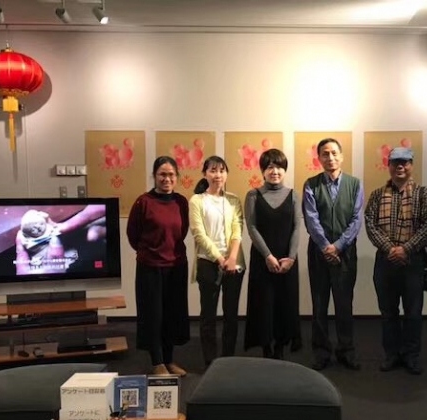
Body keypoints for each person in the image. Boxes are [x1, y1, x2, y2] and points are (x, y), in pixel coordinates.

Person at [365, 147, 427, 375]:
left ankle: (411, 356)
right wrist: (390, 249)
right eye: (395, 162)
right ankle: (392, 354)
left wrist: (406, 249)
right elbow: (370, 224)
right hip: (384, 262)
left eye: (405, 162)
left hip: (413, 262)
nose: (400, 166)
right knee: (388, 313)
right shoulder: (377, 195)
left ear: (411, 165)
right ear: (389, 165)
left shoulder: (424, 194)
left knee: (413, 313)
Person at [302, 137, 363, 371]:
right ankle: (321, 352)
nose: (330, 158)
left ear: (342, 156)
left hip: (345, 253)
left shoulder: (355, 184)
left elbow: (356, 219)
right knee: (319, 304)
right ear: (319, 158)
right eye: (325, 154)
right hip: (318, 253)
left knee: (344, 303)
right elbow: (311, 218)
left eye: (334, 153)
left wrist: (338, 246)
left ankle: (346, 350)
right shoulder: (311, 184)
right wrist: (326, 246)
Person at [126, 156, 190, 376]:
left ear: (177, 177)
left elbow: (182, 231)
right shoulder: (143, 202)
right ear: (154, 176)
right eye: (162, 174)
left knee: (172, 314)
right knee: (153, 315)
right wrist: (150, 251)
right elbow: (133, 235)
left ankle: (169, 360)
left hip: (176, 265)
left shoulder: (181, 202)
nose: (167, 179)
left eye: (171, 174)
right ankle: (157, 362)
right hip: (150, 267)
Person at [243, 148, 302, 359]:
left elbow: (297, 227)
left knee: (285, 302)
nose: (274, 171)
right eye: (269, 167)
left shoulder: (293, 195)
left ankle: (281, 345)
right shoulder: (253, 195)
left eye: (279, 167)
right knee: (264, 303)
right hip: (262, 259)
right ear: (262, 171)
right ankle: (266, 345)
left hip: (287, 259)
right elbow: (252, 228)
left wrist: (291, 258)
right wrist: (268, 256)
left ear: (284, 170)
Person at [189, 156, 245, 366]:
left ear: (226, 174)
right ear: (205, 174)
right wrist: (220, 258)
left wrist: (232, 258)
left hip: (234, 262)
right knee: (208, 315)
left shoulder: (233, 200)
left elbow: (238, 229)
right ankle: (210, 361)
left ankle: (229, 359)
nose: (217, 175)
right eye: (213, 170)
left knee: (231, 314)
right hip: (208, 263)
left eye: (221, 170)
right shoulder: (197, 200)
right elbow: (199, 235)